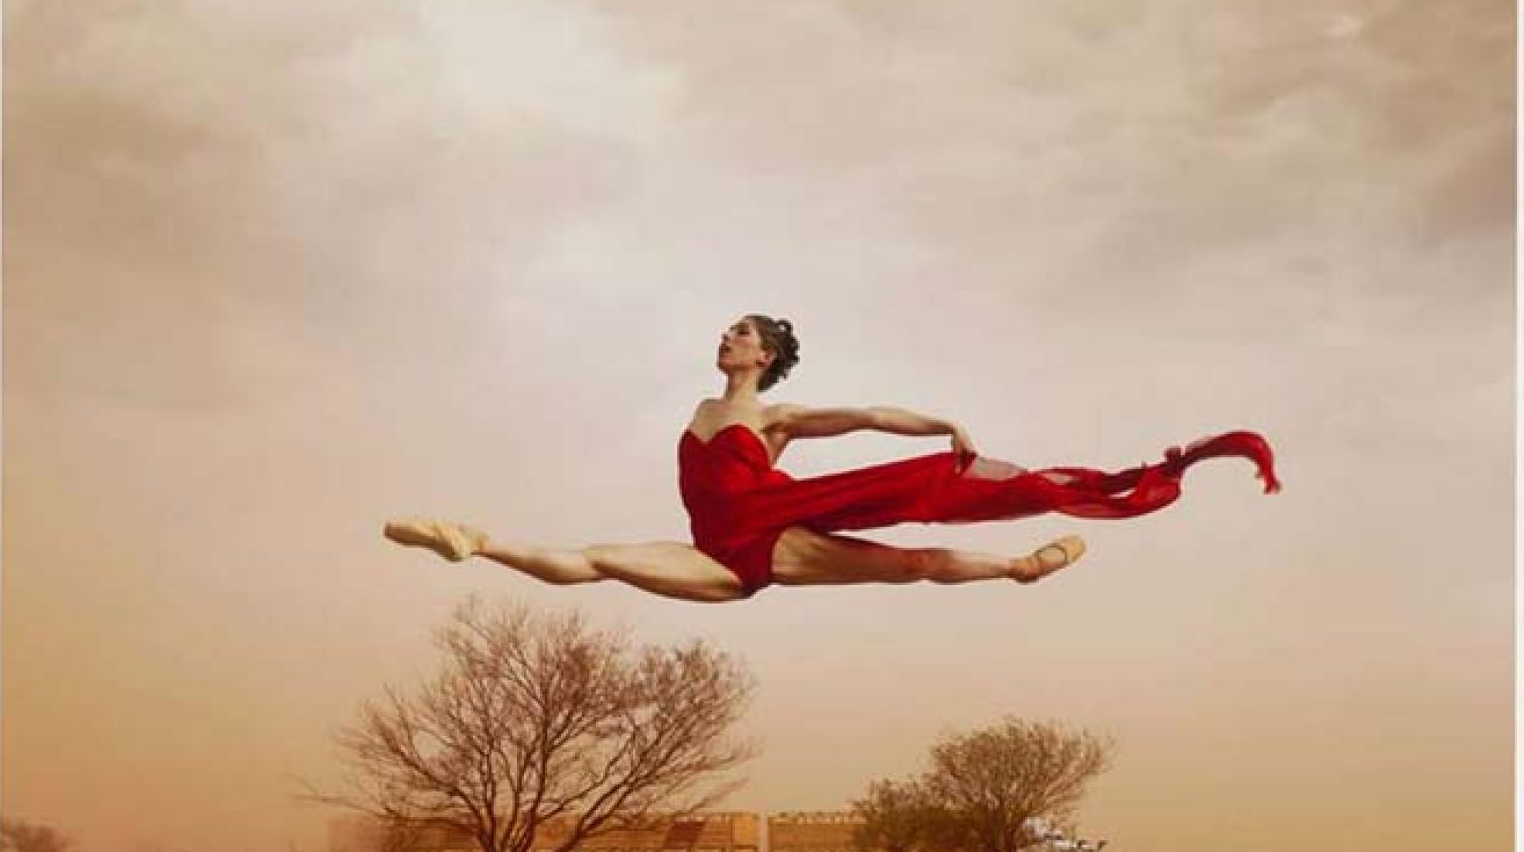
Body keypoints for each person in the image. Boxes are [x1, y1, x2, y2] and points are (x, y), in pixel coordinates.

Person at [386, 315, 1279, 603]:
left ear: (763, 356)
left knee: (914, 564)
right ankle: (475, 541)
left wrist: (937, 422)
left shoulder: (779, 418)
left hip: (772, 544)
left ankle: (1022, 569)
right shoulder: (701, 408)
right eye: (729, 327)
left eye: (742, 332)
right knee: (592, 562)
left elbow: (864, 415)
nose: (727, 336)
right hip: (709, 549)